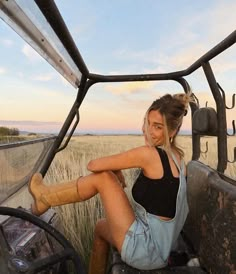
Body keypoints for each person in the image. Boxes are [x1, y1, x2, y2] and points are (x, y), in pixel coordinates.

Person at [28, 92, 193, 274]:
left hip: (146, 251)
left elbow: (94, 165)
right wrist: (117, 170)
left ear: (173, 131)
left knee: (103, 177)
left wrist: (115, 170)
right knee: (100, 227)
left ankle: (45, 198)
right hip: (160, 248)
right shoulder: (179, 159)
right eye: (148, 123)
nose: (148, 131)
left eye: (158, 127)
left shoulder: (149, 155)